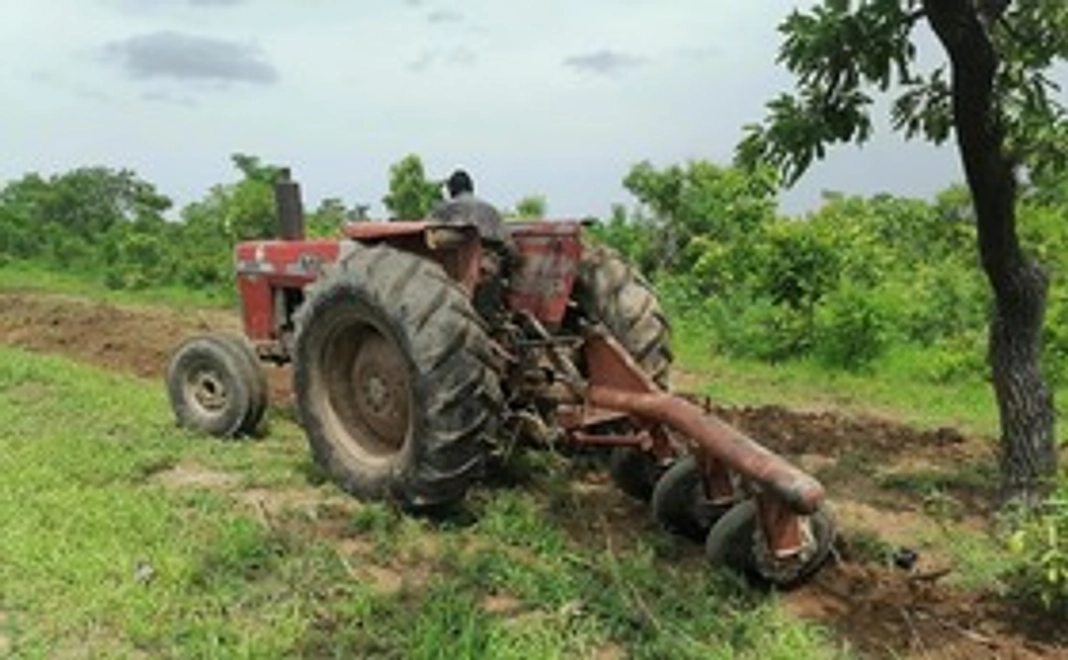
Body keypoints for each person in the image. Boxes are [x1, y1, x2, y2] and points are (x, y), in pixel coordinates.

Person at [429, 169, 511, 246]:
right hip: (491, 258)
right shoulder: (492, 211)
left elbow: (426, 234)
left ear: (450, 190)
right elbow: (507, 243)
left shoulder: (442, 210)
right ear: (471, 187)